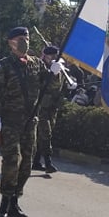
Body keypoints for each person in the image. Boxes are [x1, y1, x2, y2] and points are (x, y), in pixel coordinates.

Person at [0, 26, 44, 217]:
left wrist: (57, 72)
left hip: (30, 122)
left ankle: (14, 202)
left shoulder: (36, 64)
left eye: (27, 37)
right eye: (20, 38)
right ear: (11, 42)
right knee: (12, 162)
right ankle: (4, 203)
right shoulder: (2, 66)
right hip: (10, 122)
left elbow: (49, 87)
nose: (25, 41)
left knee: (26, 165)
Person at [32, 45, 67, 173]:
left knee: (44, 134)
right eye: (52, 56)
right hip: (41, 107)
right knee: (46, 133)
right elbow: (45, 85)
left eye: (56, 56)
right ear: (46, 56)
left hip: (52, 107)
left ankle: (35, 161)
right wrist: (52, 73)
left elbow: (60, 87)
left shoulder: (59, 68)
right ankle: (48, 162)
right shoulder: (40, 68)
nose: (54, 58)